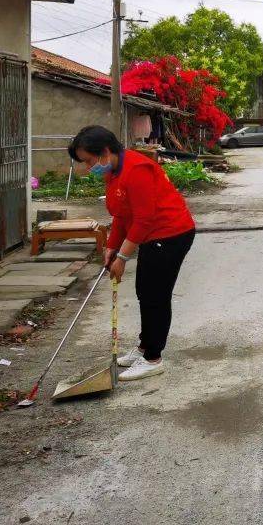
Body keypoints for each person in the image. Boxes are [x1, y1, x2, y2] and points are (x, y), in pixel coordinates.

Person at [69, 125, 196, 382]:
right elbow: (122, 216)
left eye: (89, 161)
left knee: (155, 296)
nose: (88, 167)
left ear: (105, 152)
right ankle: (143, 347)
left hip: (170, 234)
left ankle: (153, 358)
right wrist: (111, 249)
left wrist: (123, 258)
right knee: (144, 292)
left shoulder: (136, 169)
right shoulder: (113, 172)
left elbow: (143, 220)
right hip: (151, 235)